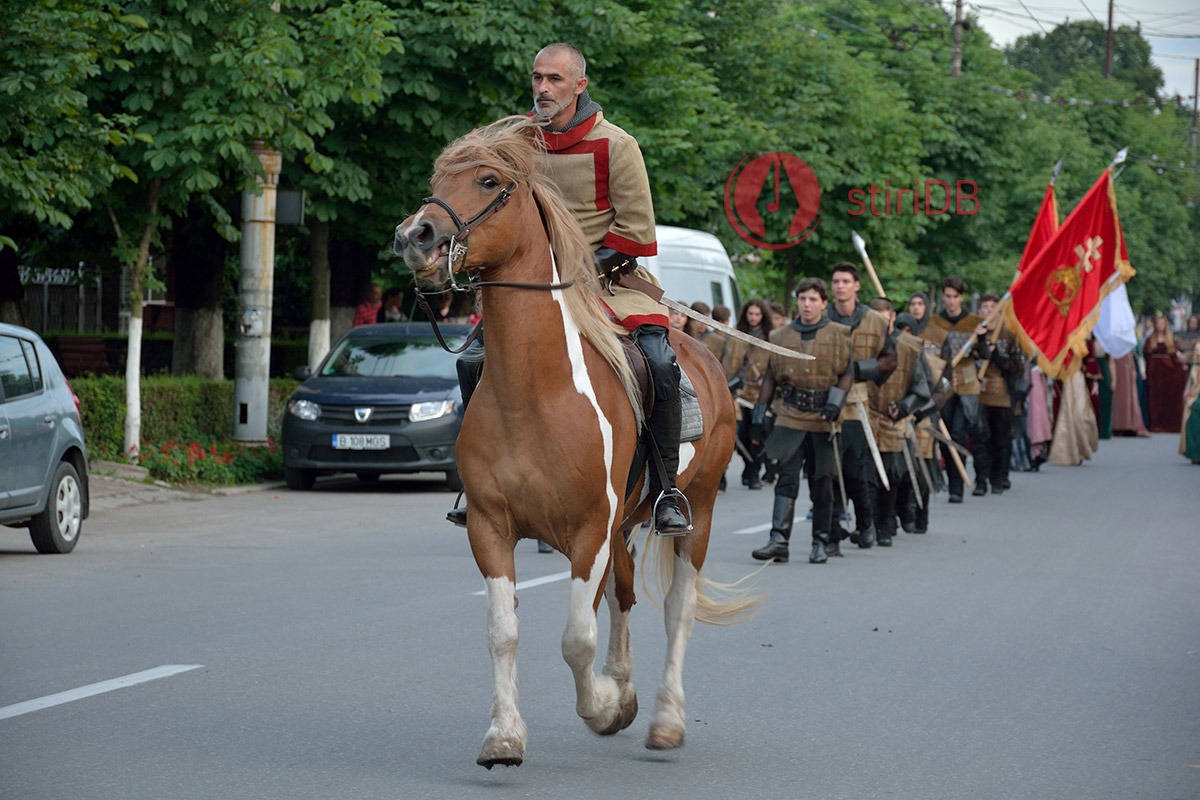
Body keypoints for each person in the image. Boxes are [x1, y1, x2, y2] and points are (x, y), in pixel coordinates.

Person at [450, 42, 688, 534]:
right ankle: (475, 479)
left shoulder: (617, 145)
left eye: (554, 79)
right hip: (528, 287)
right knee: (471, 359)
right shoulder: (515, 142)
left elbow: (637, 235)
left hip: (610, 282)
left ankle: (666, 489)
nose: (542, 88)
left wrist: (576, 273)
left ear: (580, 85)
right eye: (537, 78)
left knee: (659, 363)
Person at [748, 277, 852, 564]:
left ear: (823, 303)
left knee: (822, 482)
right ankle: (778, 540)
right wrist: (758, 416)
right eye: (802, 299)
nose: (807, 304)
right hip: (790, 415)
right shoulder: (780, 335)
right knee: (787, 478)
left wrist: (835, 404)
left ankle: (821, 540)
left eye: (812, 299)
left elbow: (847, 373)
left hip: (823, 417)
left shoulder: (840, 333)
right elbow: (770, 376)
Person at [826, 262, 895, 551]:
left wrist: (856, 369)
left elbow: (890, 360)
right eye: (836, 281)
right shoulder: (820, 316)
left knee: (854, 470)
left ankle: (866, 522)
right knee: (825, 470)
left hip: (856, 404)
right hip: (825, 401)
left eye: (845, 281)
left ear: (856, 286)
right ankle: (831, 529)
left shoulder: (876, 321)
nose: (840, 286)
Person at [866, 304, 931, 547]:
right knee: (866, 476)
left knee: (891, 476)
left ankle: (885, 523)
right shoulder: (861, 344)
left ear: (892, 318)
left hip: (893, 420)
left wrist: (904, 407)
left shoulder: (910, 347)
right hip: (865, 416)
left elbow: (923, 387)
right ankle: (868, 524)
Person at [921, 276, 990, 501]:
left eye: (955, 297)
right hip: (945, 384)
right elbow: (930, 354)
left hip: (968, 383)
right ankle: (955, 487)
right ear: (943, 297)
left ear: (962, 297)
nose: (951, 301)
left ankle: (981, 479)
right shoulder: (934, 323)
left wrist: (980, 339)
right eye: (948, 296)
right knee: (948, 433)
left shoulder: (974, 322)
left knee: (972, 431)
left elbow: (986, 356)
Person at [722, 299, 776, 490]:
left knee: (758, 436)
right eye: (750, 314)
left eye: (757, 314)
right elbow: (728, 363)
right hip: (739, 395)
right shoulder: (736, 337)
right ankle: (748, 467)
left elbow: (776, 364)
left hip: (762, 396)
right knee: (741, 436)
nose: (753, 318)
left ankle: (753, 473)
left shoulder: (771, 337)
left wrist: (769, 379)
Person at [975, 293, 1023, 494]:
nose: (988, 311)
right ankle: (980, 480)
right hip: (978, 393)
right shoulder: (976, 333)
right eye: (985, 307)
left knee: (1000, 438)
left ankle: (999, 477)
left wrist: (996, 354)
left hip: (1002, 394)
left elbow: (1015, 366)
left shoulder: (1009, 334)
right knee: (980, 439)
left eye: (992, 307)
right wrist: (979, 341)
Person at [1143, 314, 1187, 433]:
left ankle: (1170, 424)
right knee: (1155, 397)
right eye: (1158, 323)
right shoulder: (1150, 339)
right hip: (1154, 371)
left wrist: (1181, 367)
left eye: (1162, 323)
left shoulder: (1170, 339)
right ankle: (1155, 424)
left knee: (1167, 396)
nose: (1160, 325)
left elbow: (1174, 355)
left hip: (1168, 371)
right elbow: (1145, 354)